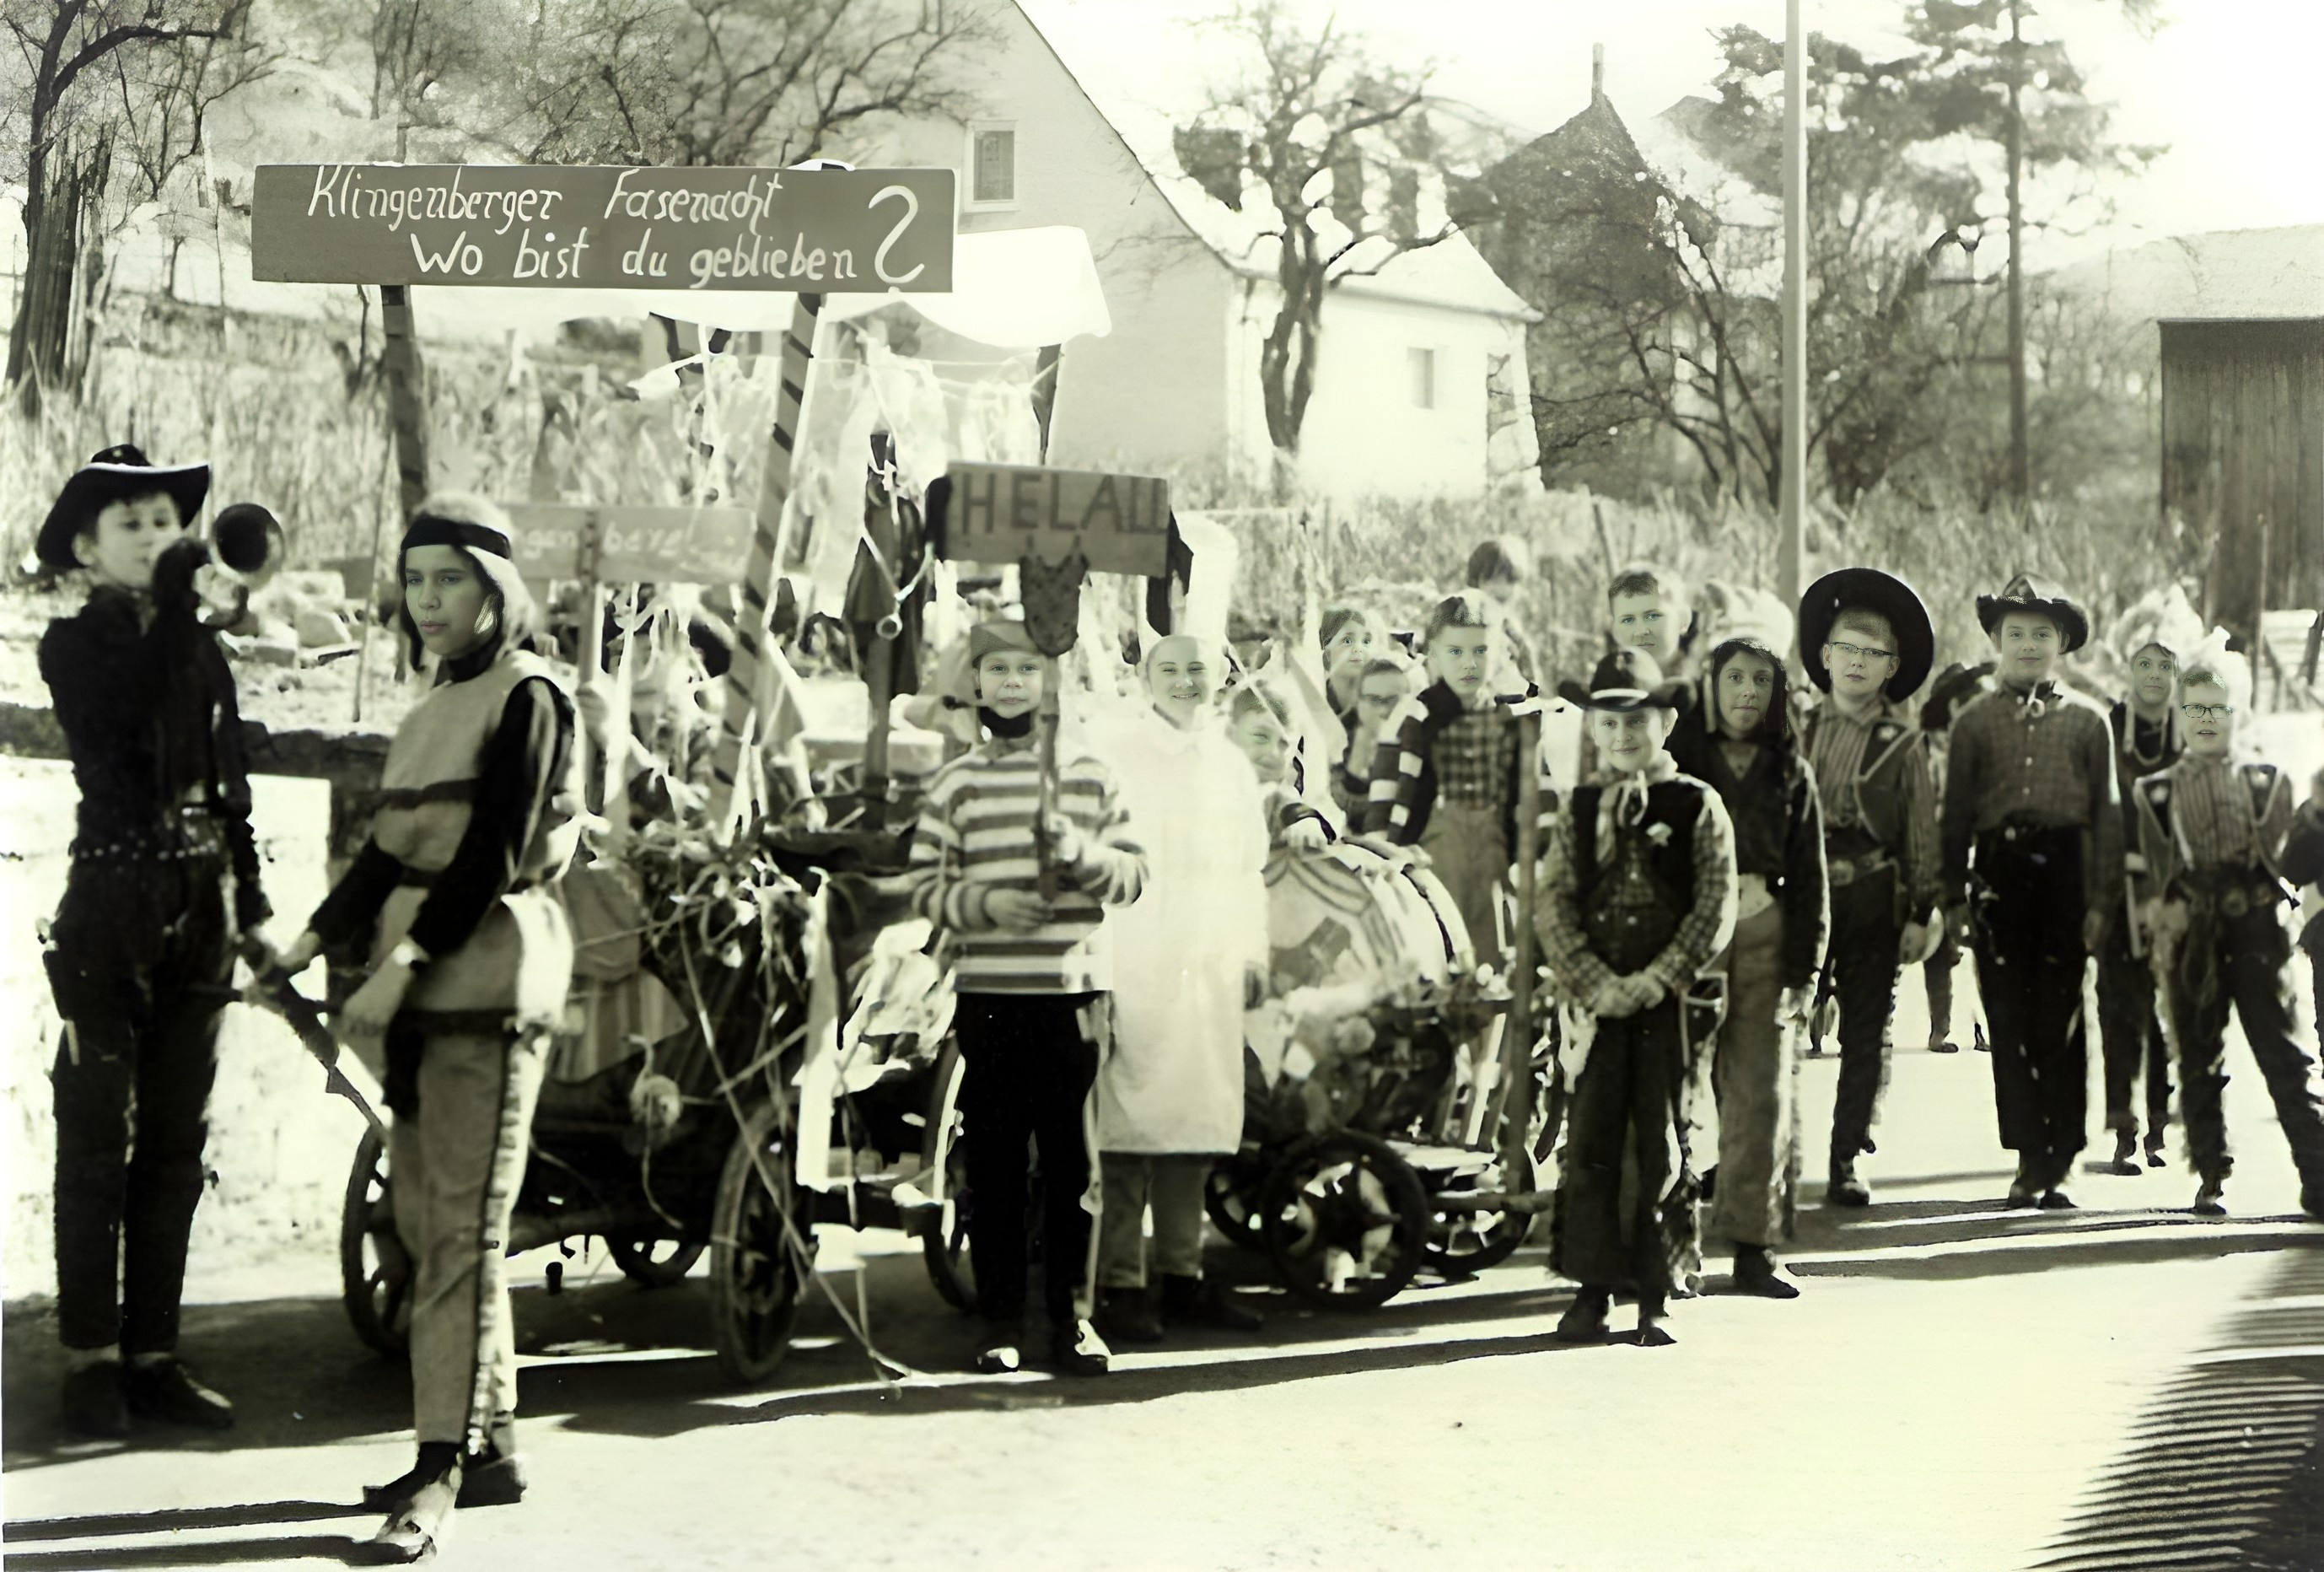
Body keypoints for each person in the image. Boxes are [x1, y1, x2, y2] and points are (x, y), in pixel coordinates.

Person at [273, 493, 583, 1561]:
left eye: (450, 579)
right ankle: (491, 1446)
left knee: (455, 1234)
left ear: (497, 589)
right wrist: (307, 942)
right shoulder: (432, 708)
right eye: (414, 581)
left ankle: (438, 1469)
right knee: (429, 1222)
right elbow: (384, 854)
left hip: (486, 987)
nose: (428, 600)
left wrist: (398, 967)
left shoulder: (529, 698)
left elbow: (490, 851)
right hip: (422, 995)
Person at [35, 446, 273, 1439]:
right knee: (99, 1138)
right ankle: (91, 1360)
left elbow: (229, 786)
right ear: (87, 548)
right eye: (129, 524)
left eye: (167, 521)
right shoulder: (69, 645)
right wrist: (184, 607)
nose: (154, 538)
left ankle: (154, 1354)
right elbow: (125, 715)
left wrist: (254, 906)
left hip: (200, 909)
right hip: (111, 905)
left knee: (177, 1143)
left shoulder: (200, 646)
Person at [908, 619, 1148, 1378]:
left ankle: (1073, 1321)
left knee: (1075, 1167)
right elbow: (924, 885)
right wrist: (984, 905)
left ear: (1051, 682)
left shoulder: (1091, 774)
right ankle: (1000, 1322)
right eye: (998, 670)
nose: (1013, 683)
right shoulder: (956, 783)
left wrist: (1080, 853)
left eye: (1028, 670)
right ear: (976, 684)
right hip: (991, 999)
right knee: (997, 1166)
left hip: (1074, 998)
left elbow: (1135, 876)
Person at [1539, 649, 1737, 1348]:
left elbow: (1715, 903)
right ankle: (1591, 1292)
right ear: (1592, 728)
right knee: (1592, 1140)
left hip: (1668, 1004)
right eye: (1609, 722)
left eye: (1637, 721)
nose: (1623, 735)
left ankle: (1658, 1291)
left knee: (1663, 1141)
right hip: (1596, 1005)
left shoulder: (1697, 805)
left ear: (1667, 722)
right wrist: (1594, 982)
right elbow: (1554, 902)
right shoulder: (1579, 808)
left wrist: (1659, 977)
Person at [1092, 635, 1267, 1344]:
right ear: (1145, 678)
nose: (1185, 681)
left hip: (1207, 963)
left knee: (1193, 1126)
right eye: (1169, 669)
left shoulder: (1229, 765)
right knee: (1128, 1128)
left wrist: (1251, 952)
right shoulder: (1116, 755)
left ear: (1219, 675)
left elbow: (1249, 869)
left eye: (1198, 669)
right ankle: (1121, 1283)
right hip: (1136, 958)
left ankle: (1182, 1272)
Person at [1943, 574, 2124, 1210]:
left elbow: (2107, 818)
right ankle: (2027, 1157)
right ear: (1996, 639)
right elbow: (1955, 815)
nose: (2027, 645)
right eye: (2015, 633)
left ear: (2062, 642)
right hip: (1999, 878)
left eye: (2041, 634)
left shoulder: (2088, 722)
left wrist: (2102, 902)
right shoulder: (1973, 723)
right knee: (2008, 1018)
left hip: (2065, 877)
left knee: (2061, 1017)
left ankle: (2064, 1158)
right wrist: (1952, 896)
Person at [2130, 647, 2324, 1220]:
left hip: (2258, 928)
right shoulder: (2156, 792)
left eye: (2218, 707)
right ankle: (2211, 1175)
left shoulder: (2269, 782)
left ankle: (2319, 1177)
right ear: (2178, 714)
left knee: (2286, 1058)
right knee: (2197, 1059)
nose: (2207, 719)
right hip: (2193, 933)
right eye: (2195, 708)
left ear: (2239, 712)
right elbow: (2155, 875)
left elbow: (2289, 861)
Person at [1677, 637, 1827, 1295]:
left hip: (1766, 935)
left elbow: (1813, 881)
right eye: (1734, 677)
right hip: (1688, 940)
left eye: (1761, 681)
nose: (1746, 691)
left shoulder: (1792, 771)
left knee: (1762, 1094)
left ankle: (1754, 1247)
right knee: (1673, 1092)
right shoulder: (1678, 761)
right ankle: (1665, 1246)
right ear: (1710, 686)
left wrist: (1807, 974)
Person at [1795, 568, 1941, 1207]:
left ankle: (1848, 1153)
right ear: (1825, 656)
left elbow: (1922, 833)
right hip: (1801, 891)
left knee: (1865, 1028)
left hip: (1871, 894)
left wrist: (1922, 910)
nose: (1857, 662)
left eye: (1872, 653)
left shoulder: (1902, 744)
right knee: (1778, 1018)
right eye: (1846, 648)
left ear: (1892, 667)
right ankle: (1764, 1151)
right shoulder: (1795, 730)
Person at [1364, 593, 1528, 966]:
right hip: (1432, 853)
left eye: (1480, 651)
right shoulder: (1415, 716)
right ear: (1434, 655)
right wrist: (1382, 852)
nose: (1469, 663)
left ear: (1497, 653)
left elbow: (1525, 799)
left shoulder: (1508, 720)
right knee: (1442, 950)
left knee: (1493, 956)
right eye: (1455, 652)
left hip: (1492, 857)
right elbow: (1385, 795)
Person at [2097, 589, 2201, 1171]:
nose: (2155, 675)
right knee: (2121, 1006)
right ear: (2128, 668)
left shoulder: (2195, 730)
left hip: (2179, 892)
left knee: (2173, 1008)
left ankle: (2160, 1121)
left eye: (2166, 665)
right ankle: (2123, 1127)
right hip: (2121, 886)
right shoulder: (2108, 727)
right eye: (2145, 664)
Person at [1915, 661, 1995, 1057]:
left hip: (1979, 855)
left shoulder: (1985, 741)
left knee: (1984, 945)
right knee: (1939, 945)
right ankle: (1941, 1028)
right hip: (1935, 854)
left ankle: (1984, 1028)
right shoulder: (1925, 747)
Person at [1331, 654, 1414, 821]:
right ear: (1358, 702)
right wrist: (1356, 767)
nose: (1383, 711)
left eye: (1393, 701)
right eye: (1374, 700)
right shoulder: (1334, 741)